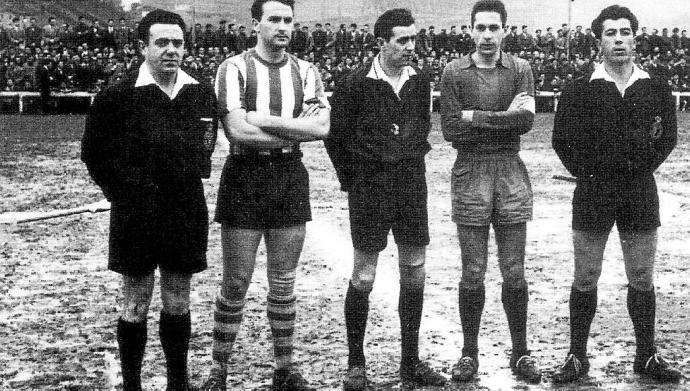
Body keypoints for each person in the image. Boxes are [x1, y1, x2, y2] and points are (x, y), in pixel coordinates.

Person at [81, 9, 218, 391]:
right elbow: (93, 153)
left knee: (178, 298)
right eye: (161, 43)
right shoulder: (117, 95)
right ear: (143, 47)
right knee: (136, 300)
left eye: (177, 43)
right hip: (135, 213)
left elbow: (205, 147)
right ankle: (133, 385)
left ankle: (178, 383)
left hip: (185, 208)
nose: (171, 50)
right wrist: (125, 193)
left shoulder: (200, 92)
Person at [200, 0, 330, 390]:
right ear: (256, 24)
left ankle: (284, 369)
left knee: (284, 280)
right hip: (245, 175)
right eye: (274, 19)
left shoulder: (307, 71)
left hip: (290, 174)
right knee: (236, 281)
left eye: (288, 20)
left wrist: (260, 119)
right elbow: (237, 133)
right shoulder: (233, 68)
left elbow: (321, 128)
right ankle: (218, 370)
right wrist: (292, 127)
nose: (283, 27)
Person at [552, 5, 682, 384]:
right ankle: (576, 357)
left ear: (635, 37)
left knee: (641, 275)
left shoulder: (655, 87)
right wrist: (590, 174)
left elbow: (668, 139)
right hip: (593, 192)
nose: (619, 39)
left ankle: (646, 356)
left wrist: (639, 168)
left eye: (625, 32)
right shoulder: (579, 89)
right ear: (599, 41)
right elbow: (562, 141)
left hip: (640, 190)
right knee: (586, 274)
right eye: (611, 33)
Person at [325, 8, 447, 391]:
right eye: (402, 40)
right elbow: (335, 138)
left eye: (414, 39)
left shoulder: (420, 81)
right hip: (370, 188)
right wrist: (354, 180)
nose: (411, 47)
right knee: (363, 274)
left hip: (411, 185)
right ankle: (356, 364)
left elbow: (421, 127)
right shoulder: (353, 83)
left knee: (415, 268)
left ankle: (410, 363)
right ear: (381, 42)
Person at [439, 0, 542, 384]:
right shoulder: (453, 72)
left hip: (510, 172)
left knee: (514, 271)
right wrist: (502, 120)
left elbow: (527, 121)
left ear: (504, 30)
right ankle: (469, 354)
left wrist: (476, 116)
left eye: (493, 28)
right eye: (479, 28)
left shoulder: (521, 69)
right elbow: (451, 129)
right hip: (470, 170)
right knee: (473, 272)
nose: (486, 35)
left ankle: (521, 352)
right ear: (470, 30)